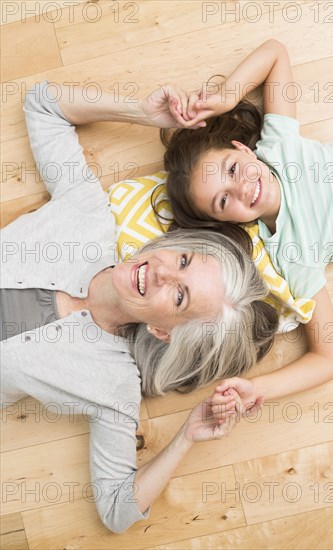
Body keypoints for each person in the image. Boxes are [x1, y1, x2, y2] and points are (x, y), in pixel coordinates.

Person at [0, 81, 278, 532]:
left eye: (180, 296)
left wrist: (186, 436)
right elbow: (43, 105)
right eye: (184, 260)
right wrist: (143, 114)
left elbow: (116, 510)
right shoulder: (87, 215)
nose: (165, 273)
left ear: (166, 332)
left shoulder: (112, 386)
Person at [161, 39, 333, 413]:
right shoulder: (292, 254)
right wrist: (256, 388)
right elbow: (327, 359)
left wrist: (224, 98)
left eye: (233, 169)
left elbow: (275, 54)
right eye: (224, 200)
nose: (241, 187)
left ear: (243, 149)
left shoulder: (279, 145)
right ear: (222, 222)